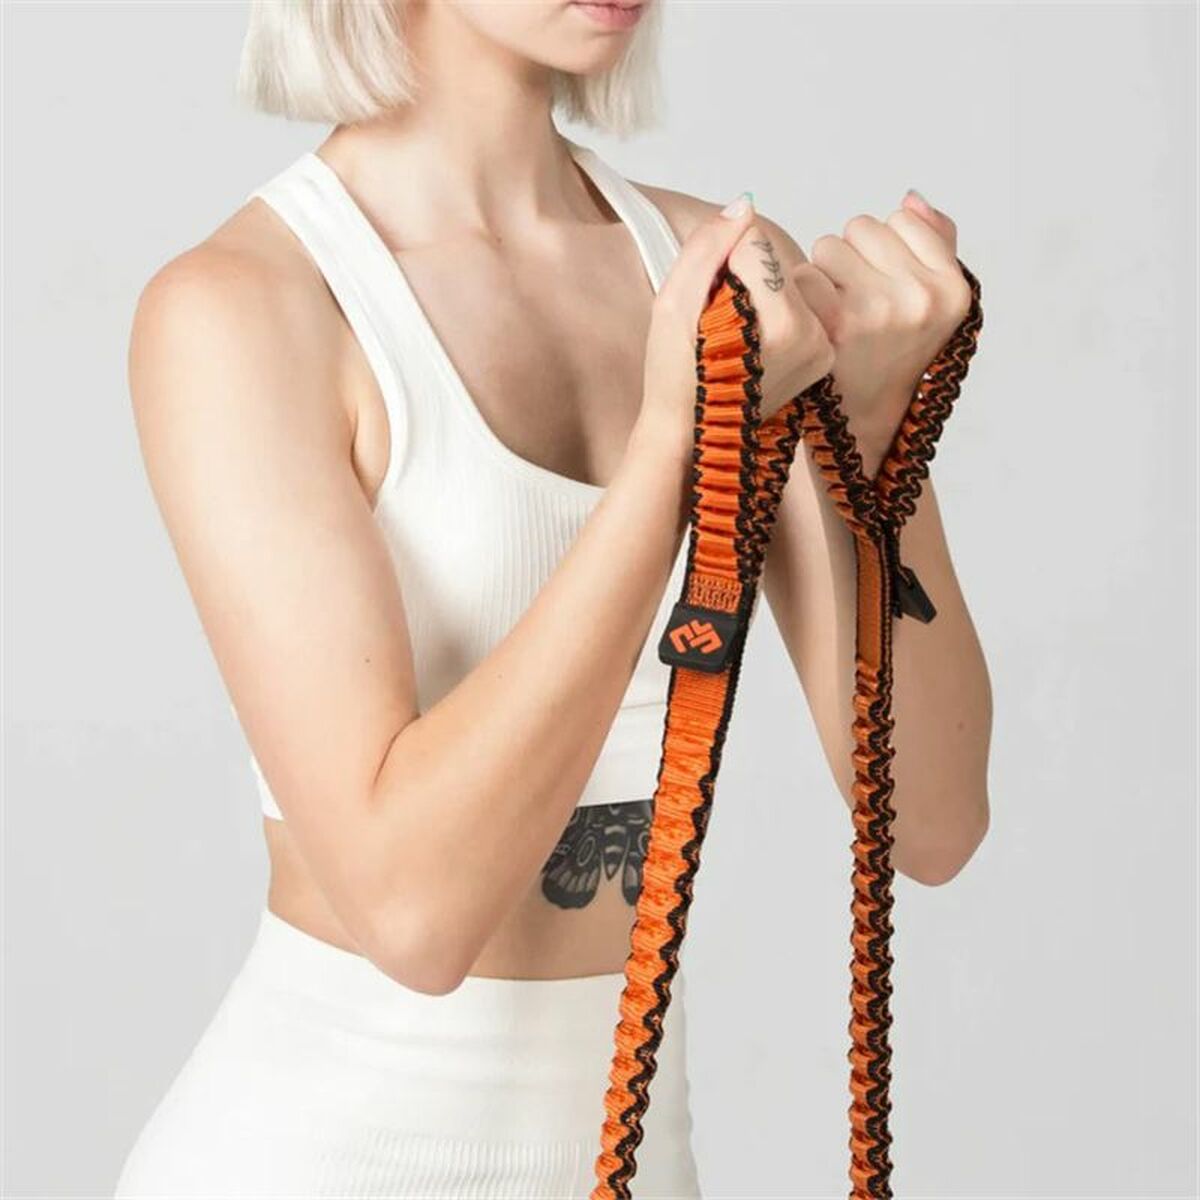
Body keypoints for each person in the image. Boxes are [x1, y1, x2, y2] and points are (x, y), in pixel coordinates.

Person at [113, 1, 992, 1195]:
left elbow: (932, 822)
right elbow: (413, 915)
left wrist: (881, 453)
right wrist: (672, 450)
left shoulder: (726, 280)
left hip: (634, 1160)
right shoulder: (245, 309)